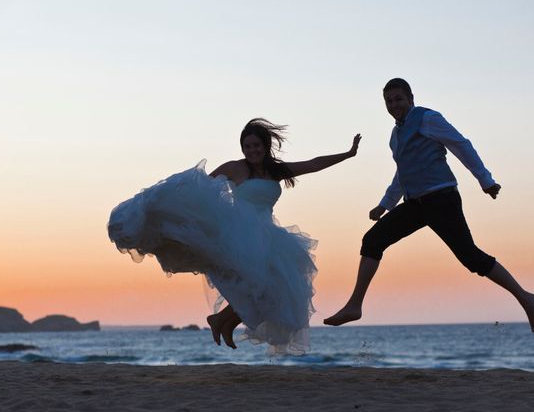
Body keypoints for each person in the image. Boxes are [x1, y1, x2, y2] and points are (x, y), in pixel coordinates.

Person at [108, 118, 361, 354]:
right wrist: (168, 205)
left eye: (256, 145)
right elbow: (198, 187)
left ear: (265, 146)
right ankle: (222, 321)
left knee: (273, 291)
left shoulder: (276, 171)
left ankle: (221, 320)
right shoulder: (235, 168)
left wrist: (348, 154)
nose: (252, 150)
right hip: (238, 232)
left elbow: (313, 164)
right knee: (257, 286)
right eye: (247, 146)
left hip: (266, 235)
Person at [324, 78, 534, 332]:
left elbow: (461, 144)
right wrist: (384, 204)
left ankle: (526, 298)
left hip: (441, 199)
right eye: (388, 101)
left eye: (398, 99)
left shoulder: (427, 118)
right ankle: (355, 305)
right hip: (415, 204)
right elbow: (402, 173)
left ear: (410, 98)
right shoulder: (395, 136)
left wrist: (485, 180)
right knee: (372, 240)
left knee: (470, 257)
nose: (394, 105)